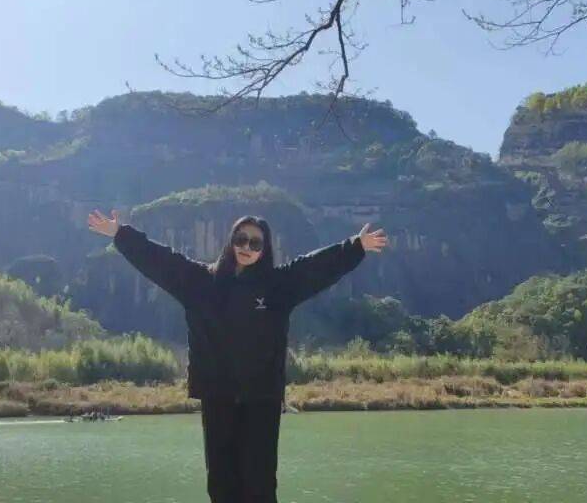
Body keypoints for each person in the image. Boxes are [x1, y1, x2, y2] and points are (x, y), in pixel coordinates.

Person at [88, 209, 387, 503]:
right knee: (221, 483)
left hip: (262, 398)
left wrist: (356, 246)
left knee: (260, 482)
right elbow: (159, 260)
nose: (246, 247)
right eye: (241, 239)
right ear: (231, 240)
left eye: (255, 243)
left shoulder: (278, 287)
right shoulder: (200, 282)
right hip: (217, 396)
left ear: (264, 250)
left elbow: (316, 267)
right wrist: (120, 234)